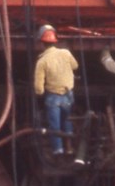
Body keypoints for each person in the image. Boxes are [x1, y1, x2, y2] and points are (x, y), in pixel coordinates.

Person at [32, 25, 79, 158]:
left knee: (54, 124)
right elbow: (75, 65)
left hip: (53, 96)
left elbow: (39, 87)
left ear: (42, 43)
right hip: (68, 94)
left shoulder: (42, 61)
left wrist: (39, 92)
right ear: (55, 41)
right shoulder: (66, 53)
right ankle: (69, 147)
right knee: (68, 119)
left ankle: (58, 150)